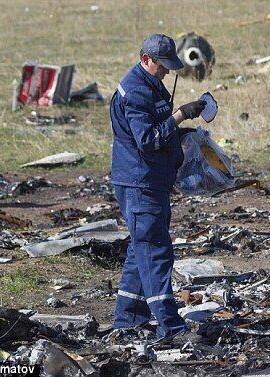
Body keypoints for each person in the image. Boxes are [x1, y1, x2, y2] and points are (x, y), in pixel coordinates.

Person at [109, 33, 206, 340]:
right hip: (141, 184)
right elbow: (148, 140)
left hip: (150, 181)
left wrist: (183, 134)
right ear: (145, 59)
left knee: (141, 251)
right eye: (162, 65)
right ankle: (171, 327)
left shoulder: (149, 84)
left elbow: (157, 131)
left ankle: (128, 319)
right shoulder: (136, 92)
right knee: (155, 252)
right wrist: (179, 116)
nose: (167, 71)